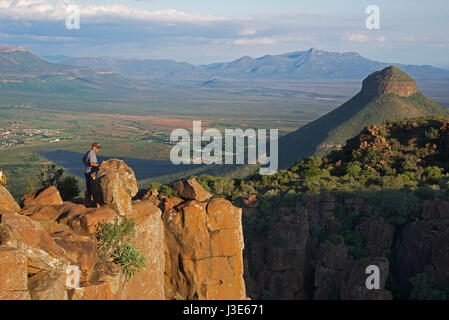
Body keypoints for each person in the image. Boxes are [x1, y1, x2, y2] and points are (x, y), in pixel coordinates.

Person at [82, 142, 102, 206]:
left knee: (89, 187)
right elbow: (92, 163)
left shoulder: (89, 152)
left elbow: (83, 159)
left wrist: (86, 165)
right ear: (93, 147)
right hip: (90, 173)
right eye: (97, 148)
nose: (98, 149)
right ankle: (87, 202)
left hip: (88, 172)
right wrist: (100, 165)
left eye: (99, 148)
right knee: (90, 188)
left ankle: (88, 201)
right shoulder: (92, 153)